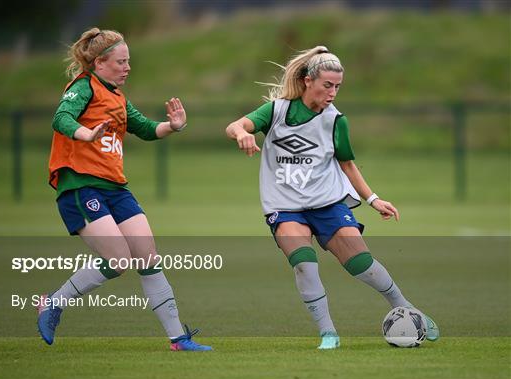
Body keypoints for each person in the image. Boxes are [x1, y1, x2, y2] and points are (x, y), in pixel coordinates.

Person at [225, 46, 439, 349]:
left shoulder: (336, 121)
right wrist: (242, 134)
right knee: (304, 263)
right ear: (307, 80)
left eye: (338, 86)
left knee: (360, 263)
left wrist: (374, 199)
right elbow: (234, 125)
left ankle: (405, 305)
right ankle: (328, 332)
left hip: (328, 203)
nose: (333, 92)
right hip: (285, 208)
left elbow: (348, 165)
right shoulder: (276, 110)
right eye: (328, 85)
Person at [38, 27, 211, 351]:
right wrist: (85, 134)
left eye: (128, 61)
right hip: (81, 184)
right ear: (99, 63)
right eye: (121, 61)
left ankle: (178, 339)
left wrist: (172, 126)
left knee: (147, 255)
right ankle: (53, 302)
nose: (127, 67)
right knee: (118, 261)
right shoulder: (83, 87)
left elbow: (145, 128)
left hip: (115, 187)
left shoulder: (117, 97)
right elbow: (61, 118)